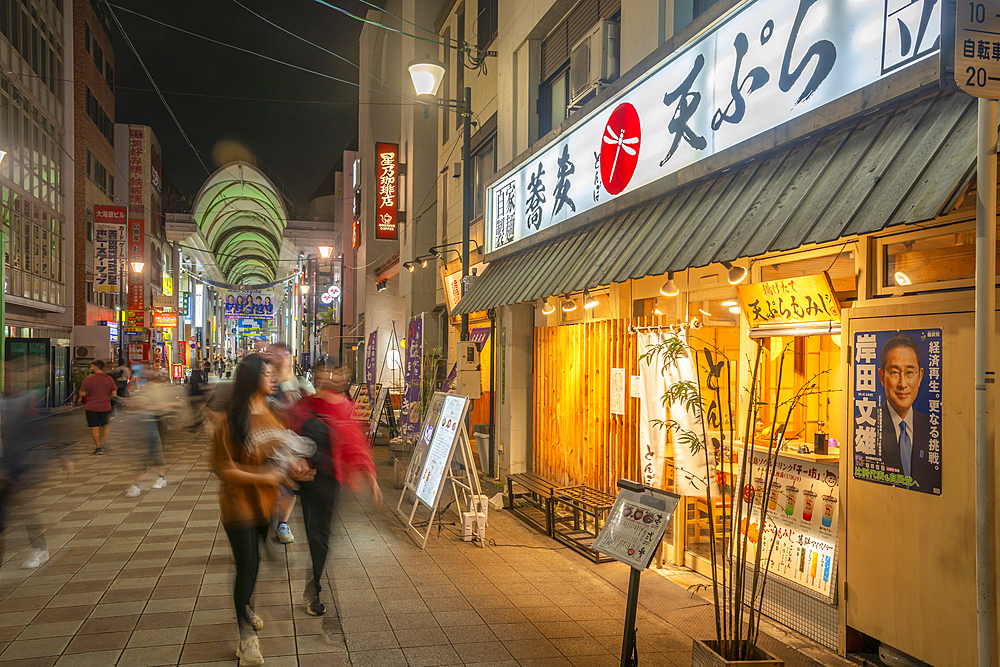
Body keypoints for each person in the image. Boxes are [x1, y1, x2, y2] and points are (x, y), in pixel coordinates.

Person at [211, 354, 315, 666]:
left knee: (252, 564)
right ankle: (246, 640)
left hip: (265, 506)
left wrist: (294, 468)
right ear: (251, 378)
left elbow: (278, 455)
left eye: (273, 373)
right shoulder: (231, 419)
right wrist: (264, 476)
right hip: (238, 506)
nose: (273, 379)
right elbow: (222, 468)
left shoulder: (271, 414)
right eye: (266, 374)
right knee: (248, 567)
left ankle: (247, 610)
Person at [289, 362, 382, 615]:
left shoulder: (344, 407)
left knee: (323, 536)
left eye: (342, 374)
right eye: (333, 373)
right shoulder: (304, 406)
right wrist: (293, 461)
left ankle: (314, 584)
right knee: (315, 534)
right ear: (319, 376)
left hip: (331, 481)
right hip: (308, 480)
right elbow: (288, 437)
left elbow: (354, 444)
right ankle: (315, 590)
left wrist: (370, 477)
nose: (337, 378)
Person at [262, 343, 314, 544]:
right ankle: (269, 518)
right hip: (270, 443)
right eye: (276, 354)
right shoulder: (266, 384)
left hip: (296, 442)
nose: (282, 357)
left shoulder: (301, 384)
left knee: (292, 485)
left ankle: (282, 521)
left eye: (285, 353)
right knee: (273, 482)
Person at [876, 334, 937, 491]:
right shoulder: (864, 426)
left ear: (920, 376)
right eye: (894, 372)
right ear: (882, 377)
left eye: (909, 372)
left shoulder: (935, 429)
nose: (902, 384)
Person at [125, 370, 178, 497]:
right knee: (152, 453)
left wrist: (151, 406)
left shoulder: (160, 389)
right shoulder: (148, 388)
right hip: (149, 423)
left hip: (158, 422)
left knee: (152, 453)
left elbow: (169, 404)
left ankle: (140, 484)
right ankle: (160, 477)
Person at [79, 360, 118, 455]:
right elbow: (114, 393)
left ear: (96, 367)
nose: (91, 368)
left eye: (92, 366)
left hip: (91, 406)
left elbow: (82, 393)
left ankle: (98, 447)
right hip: (105, 406)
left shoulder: (88, 379)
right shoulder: (108, 379)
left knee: (95, 427)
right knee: (105, 425)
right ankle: (105, 441)